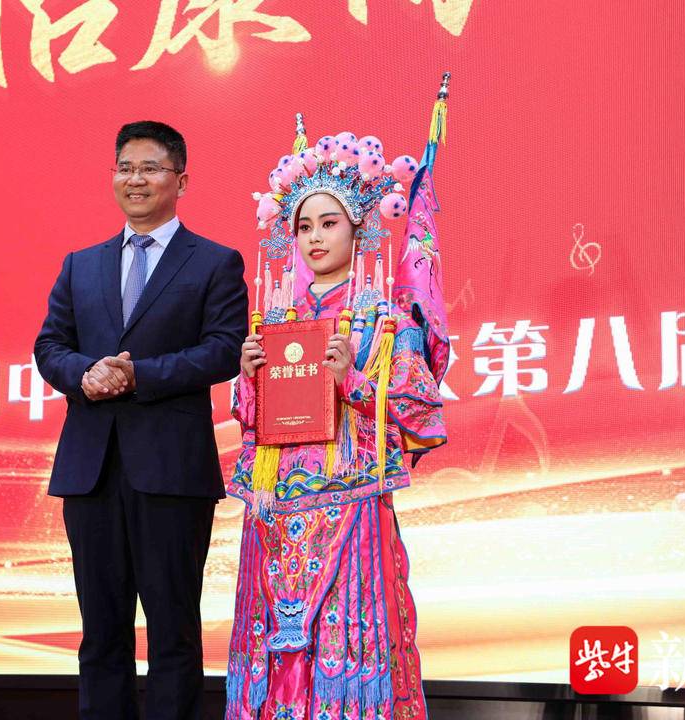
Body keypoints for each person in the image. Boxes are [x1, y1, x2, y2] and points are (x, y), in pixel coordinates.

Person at [224, 111, 450, 720]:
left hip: (350, 497)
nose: (314, 238)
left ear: (358, 228)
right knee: (274, 639)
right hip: (276, 502)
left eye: (329, 223)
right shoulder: (278, 317)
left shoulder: (386, 318)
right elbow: (252, 422)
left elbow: (420, 412)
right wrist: (248, 378)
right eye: (303, 226)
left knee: (346, 636)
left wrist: (352, 379)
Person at [34, 120, 248, 720]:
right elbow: (49, 345)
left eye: (150, 168)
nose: (136, 180)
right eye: (125, 168)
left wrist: (138, 375)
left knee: (173, 631)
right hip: (92, 471)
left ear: (181, 180)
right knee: (101, 633)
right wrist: (85, 372)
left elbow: (224, 349)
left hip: (171, 473)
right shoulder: (81, 265)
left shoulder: (215, 262)